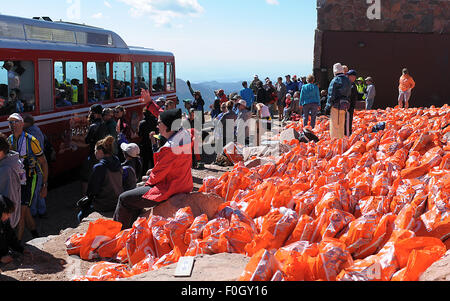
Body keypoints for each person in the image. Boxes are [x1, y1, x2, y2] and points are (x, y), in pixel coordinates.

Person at [113, 109, 193, 230]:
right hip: (183, 183)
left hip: (169, 188)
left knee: (124, 198)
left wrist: (148, 178)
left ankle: (118, 232)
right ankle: (133, 229)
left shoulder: (169, 149)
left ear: (167, 126)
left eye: (159, 122)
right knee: (135, 196)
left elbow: (157, 177)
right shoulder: (185, 136)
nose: (157, 125)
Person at [7, 113, 48, 242]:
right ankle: (36, 236)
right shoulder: (9, 140)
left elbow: (43, 162)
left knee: (21, 213)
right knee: (26, 211)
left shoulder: (32, 140)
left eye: (15, 122)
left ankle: (17, 245)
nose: (13, 125)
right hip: (16, 180)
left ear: (22, 124)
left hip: (30, 179)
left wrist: (44, 185)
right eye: (10, 122)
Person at [77, 136, 123, 222]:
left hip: (104, 204)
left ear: (100, 151)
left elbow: (92, 190)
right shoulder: (117, 161)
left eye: (95, 151)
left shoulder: (99, 167)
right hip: (117, 201)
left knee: (80, 215)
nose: (95, 153)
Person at [23, 114, 47, 218]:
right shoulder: (36, 129)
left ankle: (34, 212)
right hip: (38, 164)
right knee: (38, 189)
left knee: (33, 191)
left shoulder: (30, 133)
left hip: (34, 164)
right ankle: (42, 211)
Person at [81, 104, 107, 194]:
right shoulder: (104, 124)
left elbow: (87, 140)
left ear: (94, 113)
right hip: (102, 153)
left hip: (93, 153)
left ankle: (86, 197)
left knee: (86, 177)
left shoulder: (93, 126)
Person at [0, 133, 23, 229]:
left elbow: (10, 201)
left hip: (5, 224)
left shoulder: (6, 170)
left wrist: (6, 225)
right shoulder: (7, 164)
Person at [325, 63, 352, 139]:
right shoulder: (347, 80)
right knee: (341, 125)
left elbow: (331, 95)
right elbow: (349, 93)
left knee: (334, 125)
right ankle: (341, 141)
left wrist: (327, 107)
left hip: (336, 106)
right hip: (344, 105)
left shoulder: (335, 80)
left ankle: (334, 143)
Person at [0, 195, 25, 265]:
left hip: (5, 255)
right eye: (7, 213)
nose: (9, 216)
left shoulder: (4, 221)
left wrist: (21, 249)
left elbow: (11, 237)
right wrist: (1, 259)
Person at [138, 107, 158, 171]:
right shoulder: (155, 121)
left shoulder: (141, 123)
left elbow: (139, 134)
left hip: (145, 145)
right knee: (154, 162)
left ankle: (144, 176)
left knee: (145, 163)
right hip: (154, 142)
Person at [346, 70, 358, 136]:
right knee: (348, 122)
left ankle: (348, 134)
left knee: (348, 122)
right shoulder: (350, 85)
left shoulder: (352, 85)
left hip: (350, 106)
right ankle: (347, 135)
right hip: (348, 107)